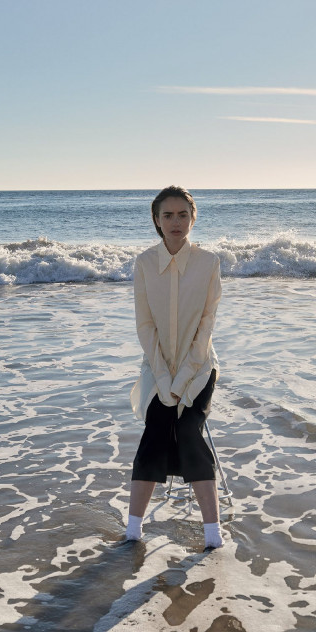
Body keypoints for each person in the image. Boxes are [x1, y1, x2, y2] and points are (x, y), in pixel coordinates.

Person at [126, 185, 224, 549]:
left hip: (199, 369)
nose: (175, 222)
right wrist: (165, 378)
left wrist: (182, 380)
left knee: (186, 429)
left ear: (193, 218)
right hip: (156, 367)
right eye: (167, 215)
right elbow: (144, 326)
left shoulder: (209, 263)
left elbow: (206, 328)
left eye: (183, 214)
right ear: (156, 220)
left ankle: (212, 534)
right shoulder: (144, 263)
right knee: (156, 429)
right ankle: (133, 530)